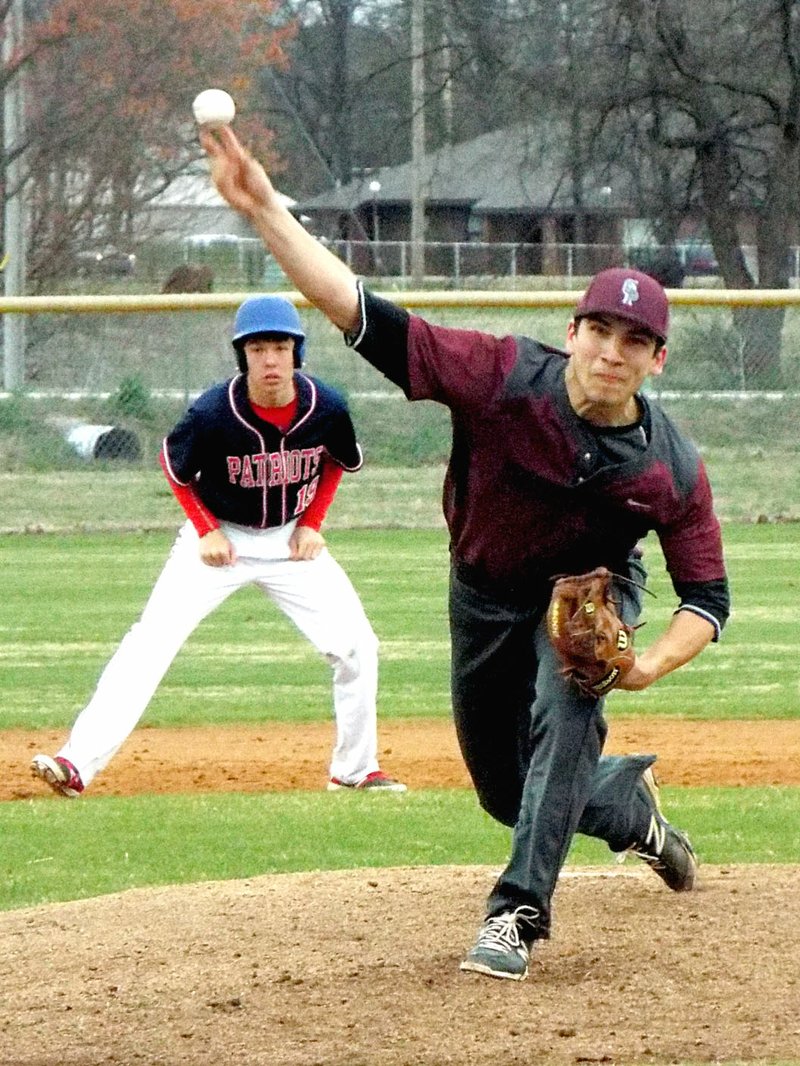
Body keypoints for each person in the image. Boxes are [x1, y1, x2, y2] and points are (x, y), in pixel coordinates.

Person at [200, 126, 729, 981]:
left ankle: (516, 914)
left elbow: (707, 598)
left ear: (657, 360)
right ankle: (625, 806)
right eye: (600, 329)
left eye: (634, 340)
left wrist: (644, 668)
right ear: (573, 330)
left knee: (570, 702)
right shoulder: (498, 377)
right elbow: (361, 313)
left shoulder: (670, 465)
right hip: (483, 594)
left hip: (587, 593)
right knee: (501, 790)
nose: (611, 351)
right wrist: (265, 208)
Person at [31, 294, 406, 798]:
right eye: (257, 349)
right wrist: (206, 529)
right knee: (150, 642)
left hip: (290, 542)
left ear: (297, 352)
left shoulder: (327, 406)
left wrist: (313, 521)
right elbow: (176, 469)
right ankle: (75, 763)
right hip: (218, 539)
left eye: (279, 346)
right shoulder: (213, 412)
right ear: (242, 356)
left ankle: (355, 769)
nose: (270, 359)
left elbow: (338, 460)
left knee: (358, 646)